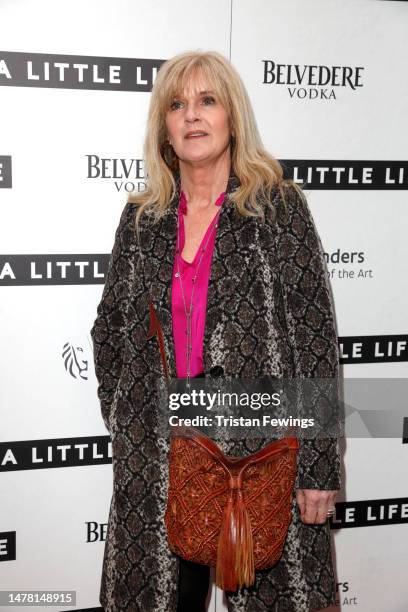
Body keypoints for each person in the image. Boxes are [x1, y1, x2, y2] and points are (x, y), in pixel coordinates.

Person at [90, 49, 341, 612]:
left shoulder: (276, 207)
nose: (192, 116)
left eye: (207, 101)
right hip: (158, 456)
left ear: (232, 116)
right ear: (164, 127)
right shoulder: (142, 217)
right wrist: (128, 418)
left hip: (260, 452)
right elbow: (109, 327)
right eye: (177, 105)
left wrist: (319, 464)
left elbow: (314, 339)